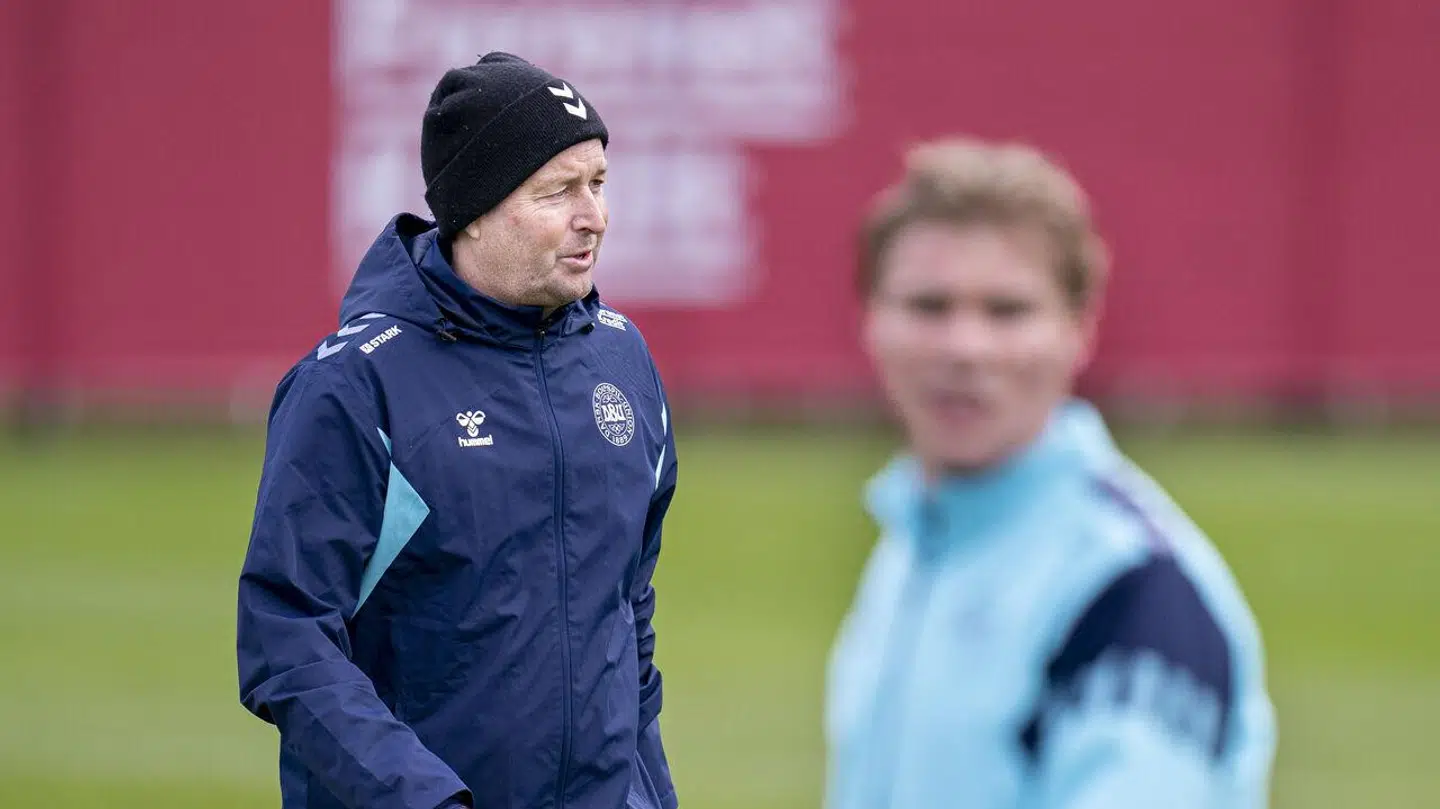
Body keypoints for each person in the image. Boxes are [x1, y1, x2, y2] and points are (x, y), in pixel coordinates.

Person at [236, 53, 679, 809]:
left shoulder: (623, 359)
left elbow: (627, 611)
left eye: (598, 184)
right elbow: (288, 637)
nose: (594, 216)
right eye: (559, 192)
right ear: (475, 208)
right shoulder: (354, 385)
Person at [824, 137, 1276, 809]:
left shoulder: (1131, 588)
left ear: (1080, 328)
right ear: (870, 319)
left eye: (1007, 311)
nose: (964, 347)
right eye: (928, 306)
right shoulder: (919, 536)